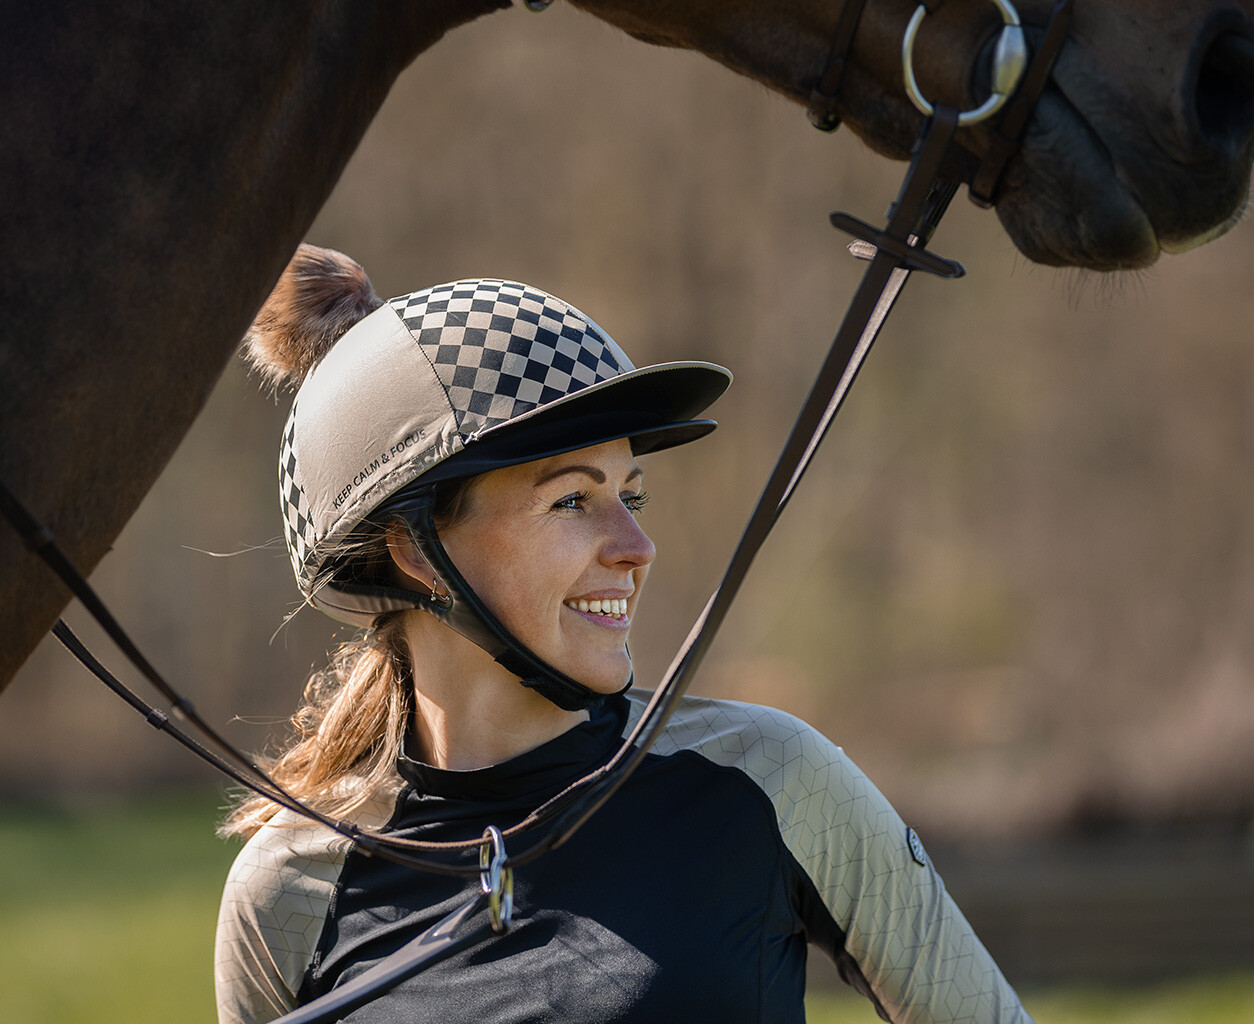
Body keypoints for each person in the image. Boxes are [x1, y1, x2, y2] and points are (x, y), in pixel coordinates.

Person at [214, 245, 1032, 1024]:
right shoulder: (288, 890)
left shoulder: (773, 782)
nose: (636, 547)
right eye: (572, 500)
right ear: (417, 552)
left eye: (630, 496)